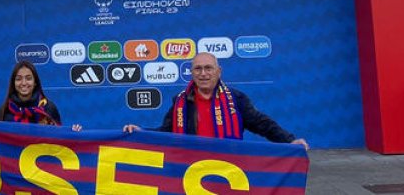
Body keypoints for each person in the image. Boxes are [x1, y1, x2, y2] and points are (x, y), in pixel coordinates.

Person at [123, 53, 307, 147]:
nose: (203, 73)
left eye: (208, 68)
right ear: (192, 73)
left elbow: (262, 124)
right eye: (198, 69)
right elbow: (166, 132)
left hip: (227, 167)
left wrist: (289, 141)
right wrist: (141, 132)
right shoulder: (180, 101)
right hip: (189, 167)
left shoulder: (236, 99)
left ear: (219, 71)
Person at [0, 61, 65, 125]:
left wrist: (73, 132)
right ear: (13, 83)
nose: (23, 83)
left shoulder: (48, 108)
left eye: (28, 78)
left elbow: (59, 136)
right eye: (18, 79)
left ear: (35, 82)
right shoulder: (4, 111)